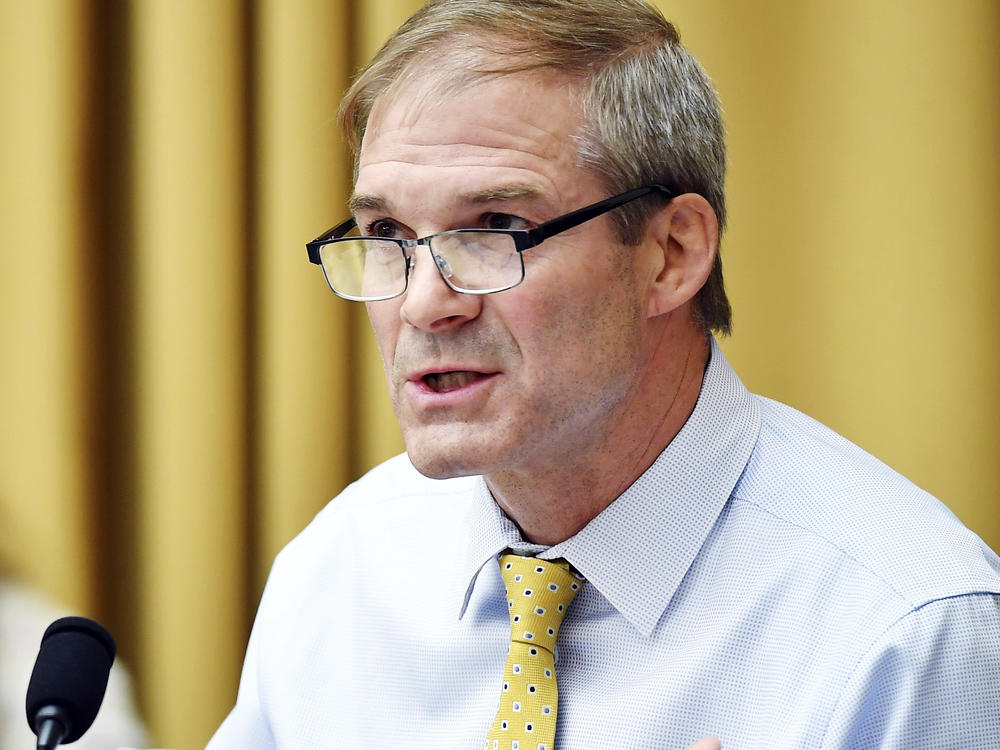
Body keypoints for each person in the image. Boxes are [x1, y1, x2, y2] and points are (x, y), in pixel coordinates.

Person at [208, 1, 1000, 747]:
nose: (422, 304)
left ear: (673, 254)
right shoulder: (340, 568)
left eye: (498, 229)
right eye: (386, 231)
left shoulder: (911, 627)